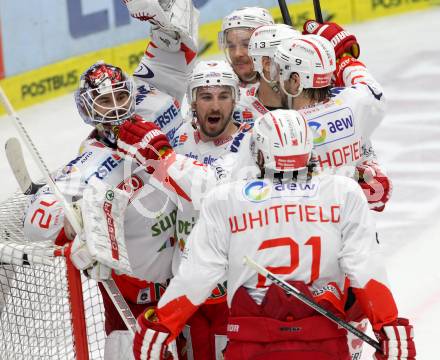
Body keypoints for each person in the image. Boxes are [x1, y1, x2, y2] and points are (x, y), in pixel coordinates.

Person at [129, 109, 416, 360]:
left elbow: (198, 275)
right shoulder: (343, 192)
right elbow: (364, 266)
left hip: (251, 345)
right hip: (323, 342)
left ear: (261, 152)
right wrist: (388, 323)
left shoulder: (226, 198)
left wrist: (163, 325)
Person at [22, 1, 199, 358]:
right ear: (88, 110)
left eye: (120, 95)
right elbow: (37, 223)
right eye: (104, 102)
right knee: (129, 346)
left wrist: (158, 14)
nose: (116, 108)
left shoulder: (153, 99)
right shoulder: (87, 166)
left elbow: (178, 45)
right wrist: (74, 226)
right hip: (137, 280)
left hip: (192, 253)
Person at [218, 7, 274, 90]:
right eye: (231, 46)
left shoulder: (290, 86)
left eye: (246, 45)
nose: (237, 54)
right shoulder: (220, 91)